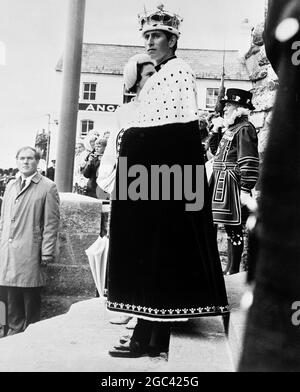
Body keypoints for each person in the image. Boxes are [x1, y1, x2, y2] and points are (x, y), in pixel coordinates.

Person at [106, 5, 228, 358]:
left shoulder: (177, 72)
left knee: (157, 255)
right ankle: (150, 335)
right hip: (155, 182)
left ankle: (147, 336)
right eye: (146, 36)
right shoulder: (157, 75)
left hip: (164, 183)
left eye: (157, 36)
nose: (150, 42)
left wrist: (131, 140)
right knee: (152, 256)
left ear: (172, 40)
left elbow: (172, 134)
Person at [98, 53, 156, 326]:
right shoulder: (123, 113)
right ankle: (126, 304)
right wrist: (111, 184)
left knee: (148, 248)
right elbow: (112, 152)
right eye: (148, 74)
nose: (154, 78)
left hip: (156, 188)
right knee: (125, 248)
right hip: (126, 189)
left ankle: (143, 307)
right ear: (134, 80)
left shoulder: (164, 108)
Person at [0, 146, 60, 336]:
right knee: (11, 291)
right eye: (22, 158)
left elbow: (52, 223)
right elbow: (3, 218)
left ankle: (31, 332)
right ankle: (14, 329)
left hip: (30, 248)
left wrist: (47, 251)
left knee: (30, 292)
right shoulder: (11, 184)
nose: (25, 162)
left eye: (30, 158)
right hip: (8, 249)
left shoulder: (47, 186)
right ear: (16, 161)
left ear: (37, 161)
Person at [210, 88, 259, 275]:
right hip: (220, 181)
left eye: (229, 105)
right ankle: (227, 268)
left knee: (234, 227)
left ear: (240, 108)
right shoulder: (231, 128)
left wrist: (245, 189)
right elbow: (214, 151)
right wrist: (215, 130)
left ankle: (234, 269)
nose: (225, 108)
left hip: (233, 183)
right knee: (227, 226)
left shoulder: (245, 128)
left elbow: (249, 160)